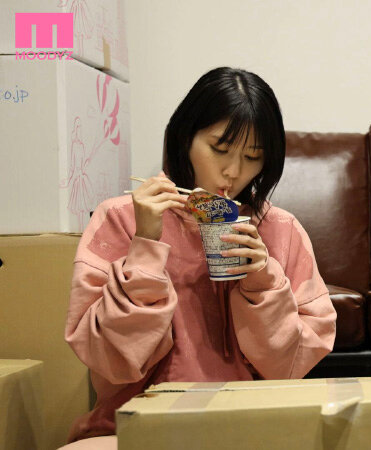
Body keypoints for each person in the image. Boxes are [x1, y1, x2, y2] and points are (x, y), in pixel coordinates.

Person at [62, 67, 336, 448]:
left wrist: (263, 281)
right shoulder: (121, 218)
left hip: (251, 427)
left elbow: (291, 366)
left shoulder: (281, 230)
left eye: (253, 157)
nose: (234, 171)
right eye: (219, 149)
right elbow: (108, 359)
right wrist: (145, 245)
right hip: (137, 425)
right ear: (185, 136)